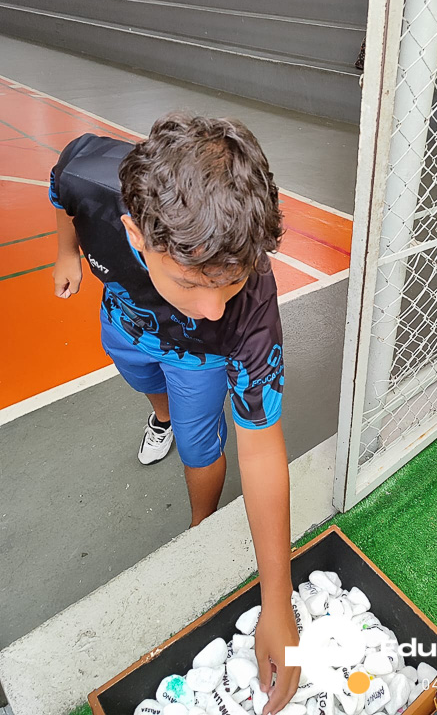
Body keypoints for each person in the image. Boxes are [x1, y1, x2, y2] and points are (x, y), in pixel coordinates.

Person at [49, 112, 301, 713]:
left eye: (229, 283)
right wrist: (66, 252)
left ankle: (199, 525)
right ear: (136, 236)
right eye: (190, 283)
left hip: (198, 361)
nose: (214, 310)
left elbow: (261, 447)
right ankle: (158, 416)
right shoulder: (89, 176)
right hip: (126, 326)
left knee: (200, 444)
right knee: (143, 382)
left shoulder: (249, 308)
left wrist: (277, 600)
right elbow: (59, 189)